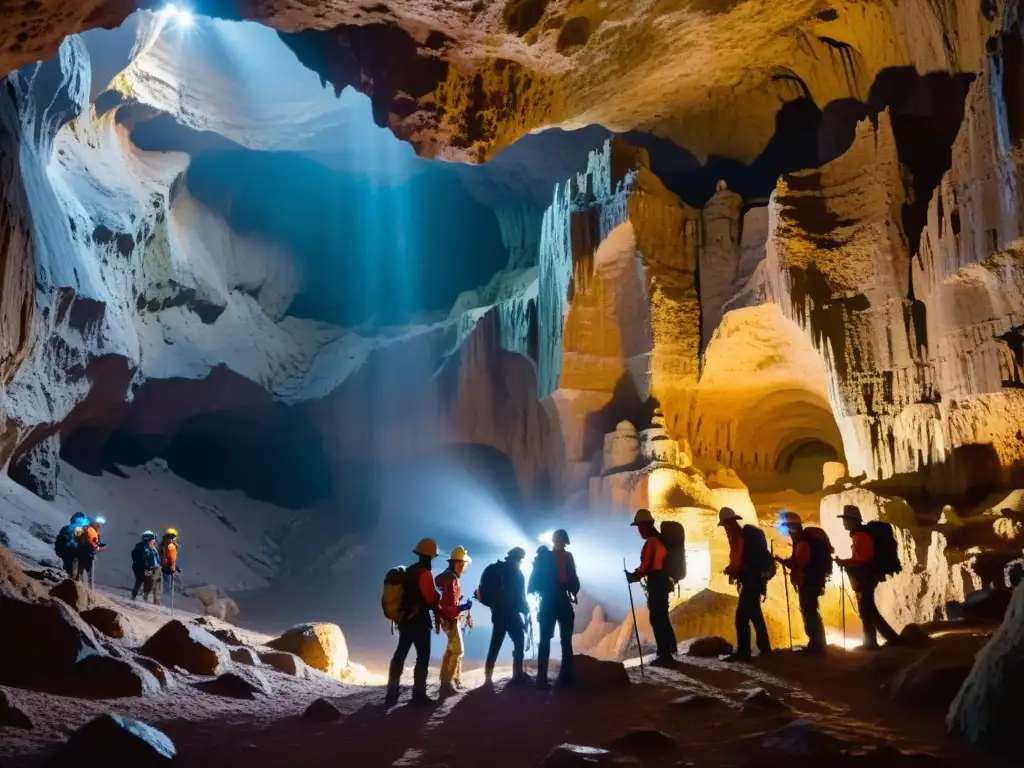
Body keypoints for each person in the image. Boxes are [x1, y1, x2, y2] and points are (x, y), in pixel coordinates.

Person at [386, 538, 441, 707]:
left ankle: (391, 695)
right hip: (419, 622)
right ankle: (418, 696)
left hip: (405, 620)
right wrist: (437, 597)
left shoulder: (409, 571)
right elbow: (431, 600)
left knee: (400, 654)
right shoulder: (424, 573)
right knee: (422, 657)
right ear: (431, 556)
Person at [836, 505, 900, 649]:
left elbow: (863, 558)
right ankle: (890, 639)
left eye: (846, 519)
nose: (844, 523)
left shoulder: (861, 535)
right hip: (868, 575)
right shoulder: (860, 535)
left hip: (867, 576)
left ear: (853, 521)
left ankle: (871, 643)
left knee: (866, 610)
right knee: (869, 609)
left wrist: (846, 563)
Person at [719, 507, 772, 662]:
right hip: (756, 580)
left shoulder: (739, 538)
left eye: (725, 525)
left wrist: (732, 570)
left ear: (729, 523)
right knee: (755, 615)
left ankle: (743, 653)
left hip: (750, 581)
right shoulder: (745, 537)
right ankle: (765, 648)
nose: (725, 529)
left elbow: (739, 560)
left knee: (741, 618)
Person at [529, 529, 579, 689]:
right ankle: (565, 678)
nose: (562, 545)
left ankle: (542, 680)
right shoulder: (566, 557)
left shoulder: (544, 558)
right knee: (565, 640)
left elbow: (533, 585)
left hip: (548, 601)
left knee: (546, 640)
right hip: (560, 599)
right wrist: (573, 589)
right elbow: (573, 579)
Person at [775, 511, 830, 654]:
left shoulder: (803, 542)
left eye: (786, 528)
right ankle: (817, 644)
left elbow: (801, 563)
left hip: (808, 581)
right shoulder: (803, 541)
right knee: (810, 611)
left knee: (809, 612)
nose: (786, 532)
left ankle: (817, 646)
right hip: (812, 580)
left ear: (792, 527)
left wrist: (786, 563)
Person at [626, 508, 676, 665]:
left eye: (640, 527)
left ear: (646, 525)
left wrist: (633, 576)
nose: (639, 530)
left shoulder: (652, 542)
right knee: (662, 617)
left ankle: (665, 656)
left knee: (657, 618)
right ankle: (669, 650)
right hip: (662, 582)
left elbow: (647, 565)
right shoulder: (660, 540)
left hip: (657, 583)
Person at [482, 546, 532, 685]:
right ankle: (518, 673)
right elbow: (520, 597)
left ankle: (488, 676)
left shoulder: (496, 569)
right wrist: (526, 611)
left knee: (495, 643)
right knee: (519, 640)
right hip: (511, 614)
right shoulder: (517, 573)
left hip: (497, 613)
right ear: (519, 559)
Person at [434, 546, 474, 697]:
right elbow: (448, 606)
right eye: (463, 564)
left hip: (444, 619)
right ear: (457, 563)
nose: (464, 567)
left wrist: (460, 602)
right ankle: (447, 684)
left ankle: (447, 680)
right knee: (458, 650)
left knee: (451, 649)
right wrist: (463, 606)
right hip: (450, 619)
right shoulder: (451, 579)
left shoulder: (446, 577)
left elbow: (446, 600)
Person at [131, 531, 162, 603]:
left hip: (146, 568)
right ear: (148, 540)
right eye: (153, 539)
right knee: (147, 582)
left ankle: (135, 595)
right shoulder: (146, 548)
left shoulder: (147, 548)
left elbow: (155, 558)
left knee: (139, 582)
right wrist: (148, 567)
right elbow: (148, 558)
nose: (154, 541)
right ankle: (144, 595)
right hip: (146, 568)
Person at [55, 513, 89, 578]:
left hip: (70, 553)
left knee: (71, 572)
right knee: (74, 573)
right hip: (73, 553)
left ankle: (71, 579)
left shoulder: (67, 528)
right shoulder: (75, 529)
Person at [74, 519, 104, 588]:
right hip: (90, 555)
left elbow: (76, 539)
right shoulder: (95, 533)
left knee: (79, 573)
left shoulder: (84, 529)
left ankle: (77, 587)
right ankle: (90, 591)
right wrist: (99, 548)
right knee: (90, 576)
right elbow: (96, 545)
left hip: (81, 554)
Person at [159, 528, 180, 599]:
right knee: (166, 583)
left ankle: (160, 596)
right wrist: (173, 569)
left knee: (164, 582)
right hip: (167, 567)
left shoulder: (163, 545)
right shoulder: (171, 546)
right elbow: (171, 559)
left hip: (163, 566)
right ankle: (162, 598)